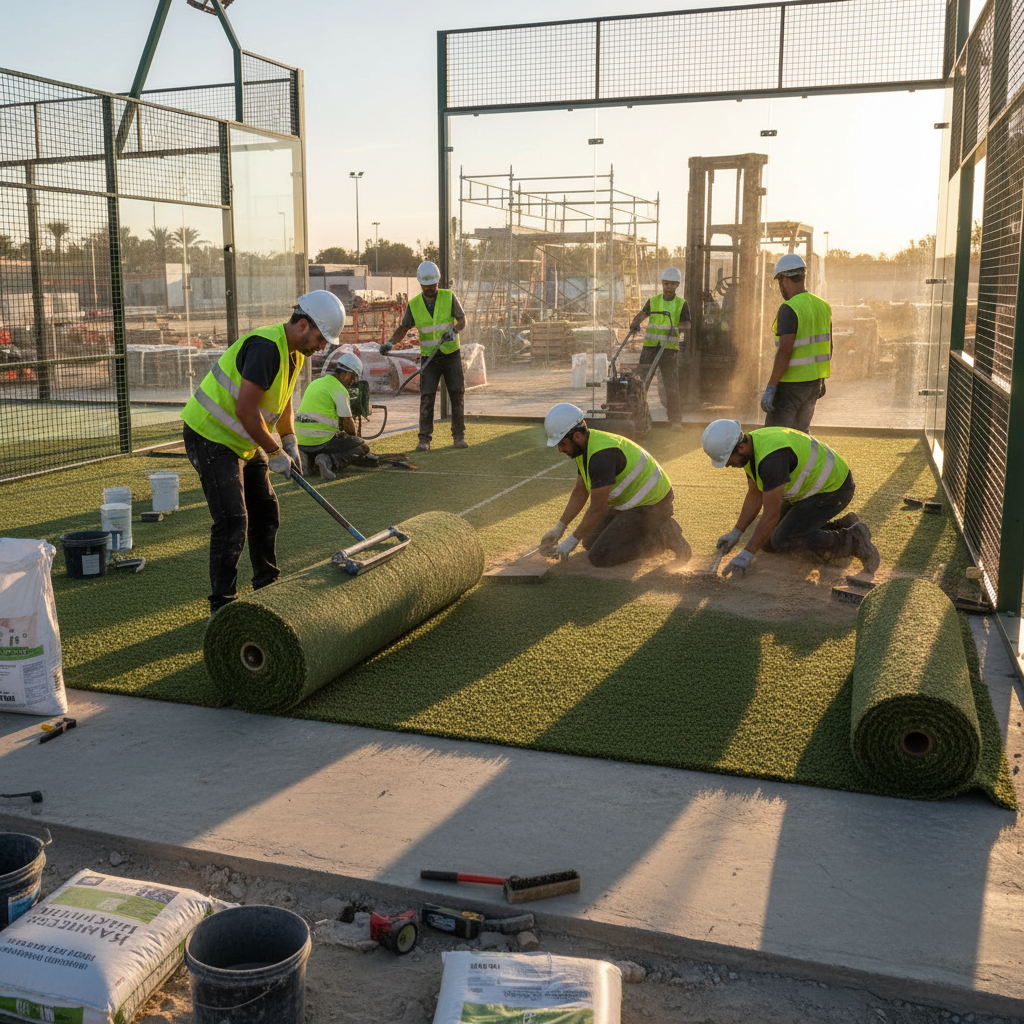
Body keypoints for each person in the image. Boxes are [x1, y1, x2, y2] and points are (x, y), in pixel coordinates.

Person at [181, 290, 345, 615]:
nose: (323, 346)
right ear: (302, 325)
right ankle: (222, 607)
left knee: (266, 508)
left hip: (242, 441)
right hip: (210, 436)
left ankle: (267, 586)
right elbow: (245, 409)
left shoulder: (295, 353)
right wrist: (274, 451)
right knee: (232, 520)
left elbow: (281, 403)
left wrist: (289, 440)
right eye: (321, 338)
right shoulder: (266, 348)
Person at [700, 418, 879, 578]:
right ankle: (842, 525)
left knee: (783, 539)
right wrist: (736, 533)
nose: (727, 465)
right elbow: (755, 494)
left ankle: (854, 539)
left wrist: (747, 554)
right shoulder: (751, 446)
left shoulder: (772, 459)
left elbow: (771, 514)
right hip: (812, 490)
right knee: (769, 543)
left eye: (727, 460)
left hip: (834, 490)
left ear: (740, 448)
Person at [539, 403, 691, 567]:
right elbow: (580, 492)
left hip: (652, 506)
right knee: (589, 541)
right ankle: (653, 530)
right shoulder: (584, 446)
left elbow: (598, 508)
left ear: (576, 436)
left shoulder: (601, 456)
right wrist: (560, 528)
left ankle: (664, 536)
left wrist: (571, 541)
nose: (560, 450)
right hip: (631, 504)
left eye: (562, 444)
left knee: (600, 556)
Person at [380, 260, 467, 452]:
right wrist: (390, 342)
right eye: (426, 286)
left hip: (451, 354)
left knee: (456, 393)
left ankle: (458, 436)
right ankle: (424, 439)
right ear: (421, 284)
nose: (429, 289)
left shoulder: (448, 296)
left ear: (438, 282)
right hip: (430, 358)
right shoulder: (415, 304)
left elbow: (462, 320)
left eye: (433, 286)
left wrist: (454, 330)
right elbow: (404, 328)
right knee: (426, 397)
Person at [760, 254, 832, 432]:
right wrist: (821, 379)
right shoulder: (823, 306)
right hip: (813, 383)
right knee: (800, 435)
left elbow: (784, 352)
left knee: (775, 437)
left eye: (779, 282)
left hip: (790, 386)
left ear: (783, 280)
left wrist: (771, 387)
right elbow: (828, 347)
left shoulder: (789, 308)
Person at [294, 348, 371, 480]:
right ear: (347, 374)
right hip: (321, 440)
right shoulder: (339, 390)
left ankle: (305, 458)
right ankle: (328, 460)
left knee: (320, 444)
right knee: (361, 448)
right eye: (353, 378)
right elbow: (349, 426)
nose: (352, 382)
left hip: (300, 439)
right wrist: (355, 440)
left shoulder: (316, 382)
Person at [629, 266, 690, 431]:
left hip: (669, 350)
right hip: (650, 348)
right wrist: (635, 323)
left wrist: (676, 327)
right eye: (666, 283)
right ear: (662, 283)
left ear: (677, 285)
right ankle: (636, 416)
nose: (668, 286)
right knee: (641, 383)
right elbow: (642, 314)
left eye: (672, 284)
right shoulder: (653, 301)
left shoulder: (681, 304)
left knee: (671, 385)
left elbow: (687, 325)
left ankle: (676, 421)